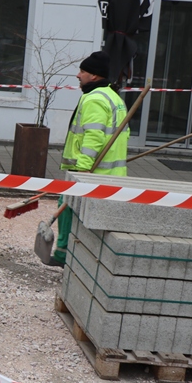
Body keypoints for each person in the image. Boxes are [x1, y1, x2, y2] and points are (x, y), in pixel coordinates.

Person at [50, 50, 129, 266]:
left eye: (82, 71)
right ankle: (80, 258)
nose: (78, 75)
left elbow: (94, 136)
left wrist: (83, 169)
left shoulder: (95, 99)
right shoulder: (113, 96)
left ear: (94, 76)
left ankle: (63, 255)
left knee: (67, 209)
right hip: (111, 172)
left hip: (93, 172)